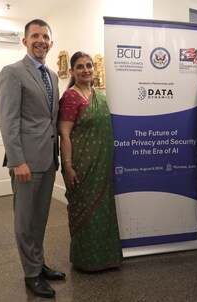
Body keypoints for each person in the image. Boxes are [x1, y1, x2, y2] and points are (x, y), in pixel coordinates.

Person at [0, 19, 65, 299]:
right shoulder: (12, 72)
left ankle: (38, 262)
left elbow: (50, 119)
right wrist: (17, 161)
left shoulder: (52, 74)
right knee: (25, 221)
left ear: (51, 42)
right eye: (35, 36)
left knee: (39, 219)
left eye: (45, 36)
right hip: (25, 161)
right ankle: (31, 274)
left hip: (48, 159)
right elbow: (8, 120)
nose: (41, 40)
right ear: (25, 41)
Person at [58, 51, 123, 272]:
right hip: (82, 167)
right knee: (85, 210)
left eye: (89, 66)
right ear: (72, 71)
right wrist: (68, 167)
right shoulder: (70, 97)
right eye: (80, 67)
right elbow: (64, 135)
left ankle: (106, 258)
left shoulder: (101, 96)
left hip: (103, 167)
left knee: (103, 210)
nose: (86, 70)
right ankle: (86, 260)